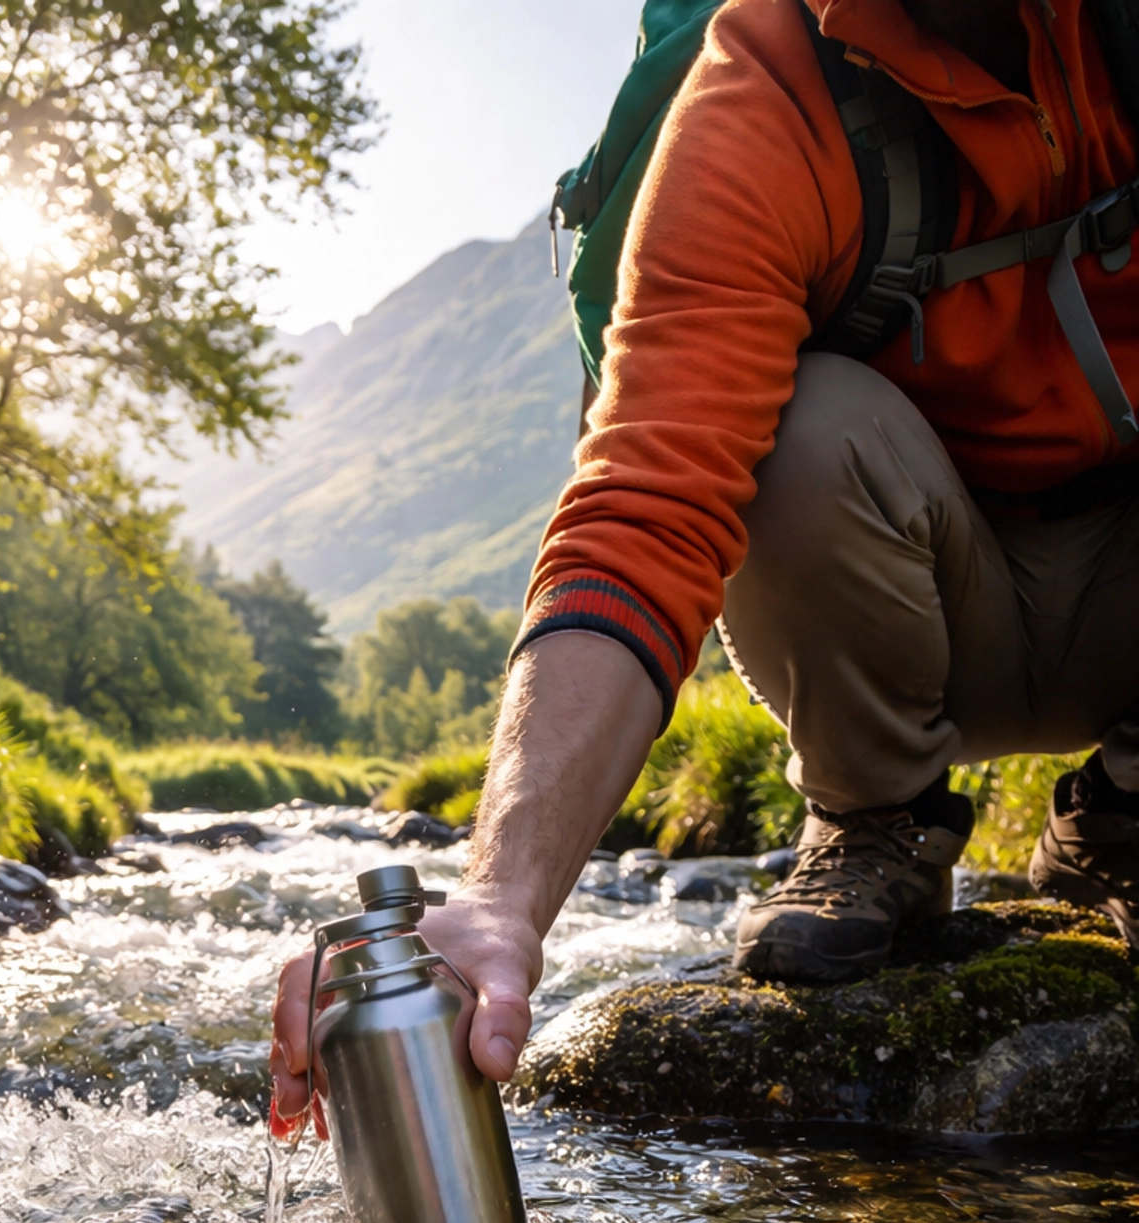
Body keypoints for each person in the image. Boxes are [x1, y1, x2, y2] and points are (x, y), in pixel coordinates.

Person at [271, 0, 1139, 1125]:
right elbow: (644, 511)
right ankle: (878, 816)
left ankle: (1121, 813)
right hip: (922, 606)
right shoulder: (769, 88)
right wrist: (499, 900)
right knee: (793, 426)